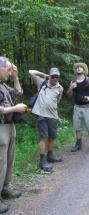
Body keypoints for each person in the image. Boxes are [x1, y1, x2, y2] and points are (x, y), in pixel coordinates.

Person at [0, 57, 27, 213]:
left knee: (9, 161)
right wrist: (14, 109)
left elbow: (17, 93)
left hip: (9, 127)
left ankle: (6, 189)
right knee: (0, 163)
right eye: (8, 70)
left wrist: (16, 77)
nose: (10, 73)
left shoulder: (2, 85)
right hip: (0, 128)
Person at [29, 68, 63, 172]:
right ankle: (42, 161)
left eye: (57, 77)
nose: (55, 79)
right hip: (41, 114)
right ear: (50, 76)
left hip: (53, 115)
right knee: (44, 137)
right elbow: (31, 72)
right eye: (53, 76)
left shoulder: (60, 88)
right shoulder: (42, 82)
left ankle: (50, 156)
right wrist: (44, 75)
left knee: (52, 137)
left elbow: (58, 100)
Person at [68, 63, 89, 153]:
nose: (78, 68)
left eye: (80, 67)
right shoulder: (73, 82)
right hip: (77, 107)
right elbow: (69, 96)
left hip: (87, 107)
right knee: (77, 127)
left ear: (84, 70)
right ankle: (78, 144)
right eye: (77, 68)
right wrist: (70, 88)